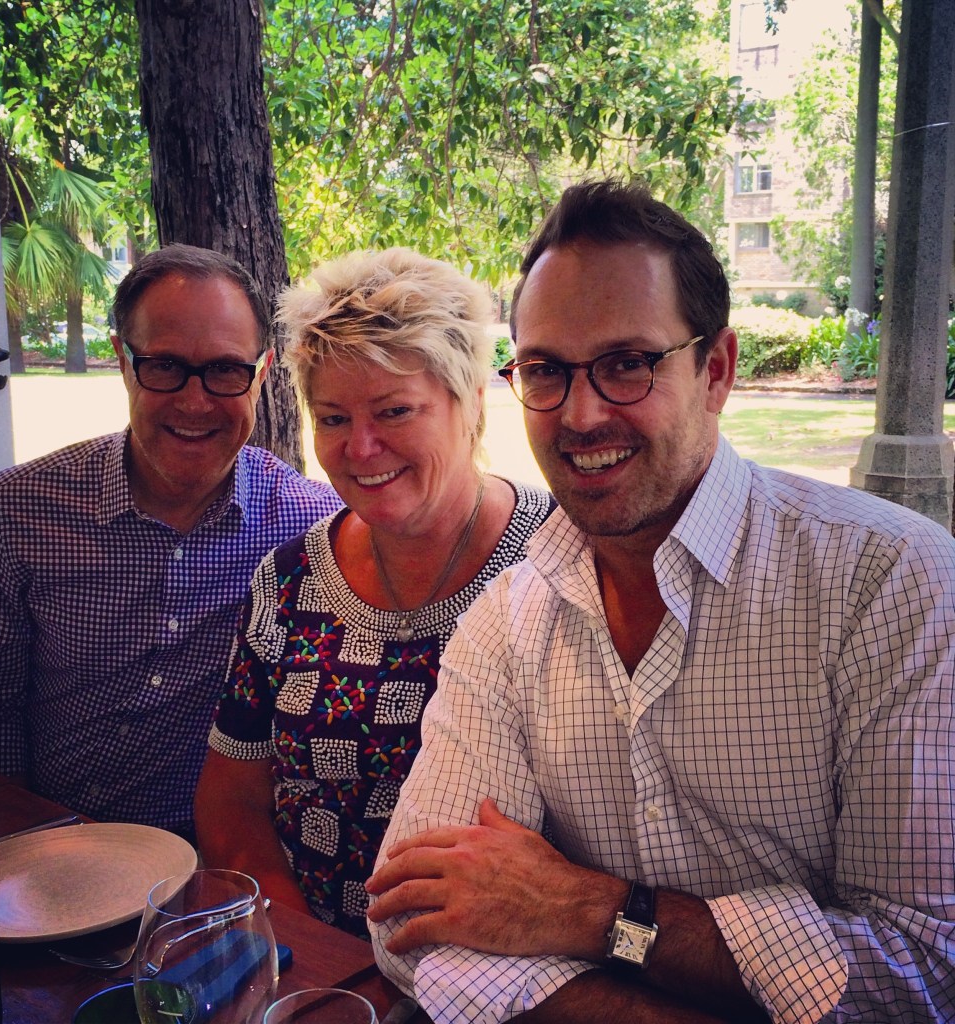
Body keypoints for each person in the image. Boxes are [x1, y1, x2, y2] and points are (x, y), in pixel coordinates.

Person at [365, 181, 955, 1022]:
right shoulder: (508, 620)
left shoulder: (889, 581)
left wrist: (591, 913)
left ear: (716, 370)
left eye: (627, 364)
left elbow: (924, 965)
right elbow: (408, 920)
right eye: (545, 371)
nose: (581, 412)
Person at [193, 247, 554, 936]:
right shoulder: (288, 581)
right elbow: (232, 799)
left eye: (394, 411)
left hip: (501, 976)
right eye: (332, 419)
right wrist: (312, 961)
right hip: (312, 963)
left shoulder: (558, 561)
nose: (360, 449)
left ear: (470, 401)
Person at [0, 244, 342, 837]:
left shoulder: (309, 528)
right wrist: (25, 858)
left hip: (227, 859)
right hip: (55, 844)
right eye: (165, 365)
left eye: (226, 370)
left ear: (261, 372)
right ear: (122, 362)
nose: (195, 400)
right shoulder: (15, 513)